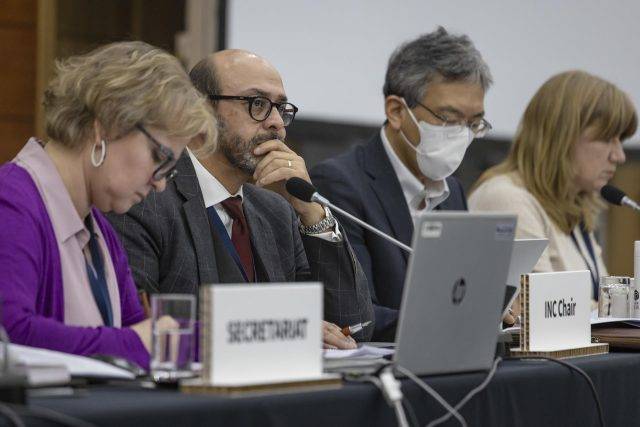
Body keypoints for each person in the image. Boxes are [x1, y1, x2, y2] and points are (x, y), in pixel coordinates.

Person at [107, 49, 374, 348]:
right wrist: (281, 333)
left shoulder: (277, 213)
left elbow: (352, 327)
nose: (277, 122)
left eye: (281, 108)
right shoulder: (145, 199)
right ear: (200, 111)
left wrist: (313, 214)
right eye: (257, 103)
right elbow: (142, 330)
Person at [0, 41, 216, 369]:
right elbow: (10, 335)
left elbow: (138, 332)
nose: (160, 183)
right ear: (107, 124)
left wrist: (228, 338)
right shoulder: (11, 201)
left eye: (169, 171)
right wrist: (139, 342)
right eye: (159, 157)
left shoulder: (99, 227)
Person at [310, 27, 493, 341]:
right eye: (449, 119)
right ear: (396, 111)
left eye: (473, 122)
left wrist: (490, 307)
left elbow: (458, 293)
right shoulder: (340, 184)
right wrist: (452, 321)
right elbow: (356, 316)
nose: (463, 134)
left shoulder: (453, 191)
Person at [470, 70, 637, 303]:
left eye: (621, 140)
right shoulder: (506, 198)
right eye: (607, 139)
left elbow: (599, 305)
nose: (619, 156)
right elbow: (543, 307)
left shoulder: (572, 205)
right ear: (561, 137)